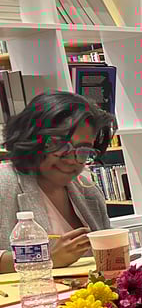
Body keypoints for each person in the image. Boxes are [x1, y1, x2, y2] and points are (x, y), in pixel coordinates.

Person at [0, 91, 117, 274]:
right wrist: (47, 257)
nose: (71, 159)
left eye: (84, 150)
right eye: (59, 145)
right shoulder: (4, 183)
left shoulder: (88, 192)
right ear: (32, 138)